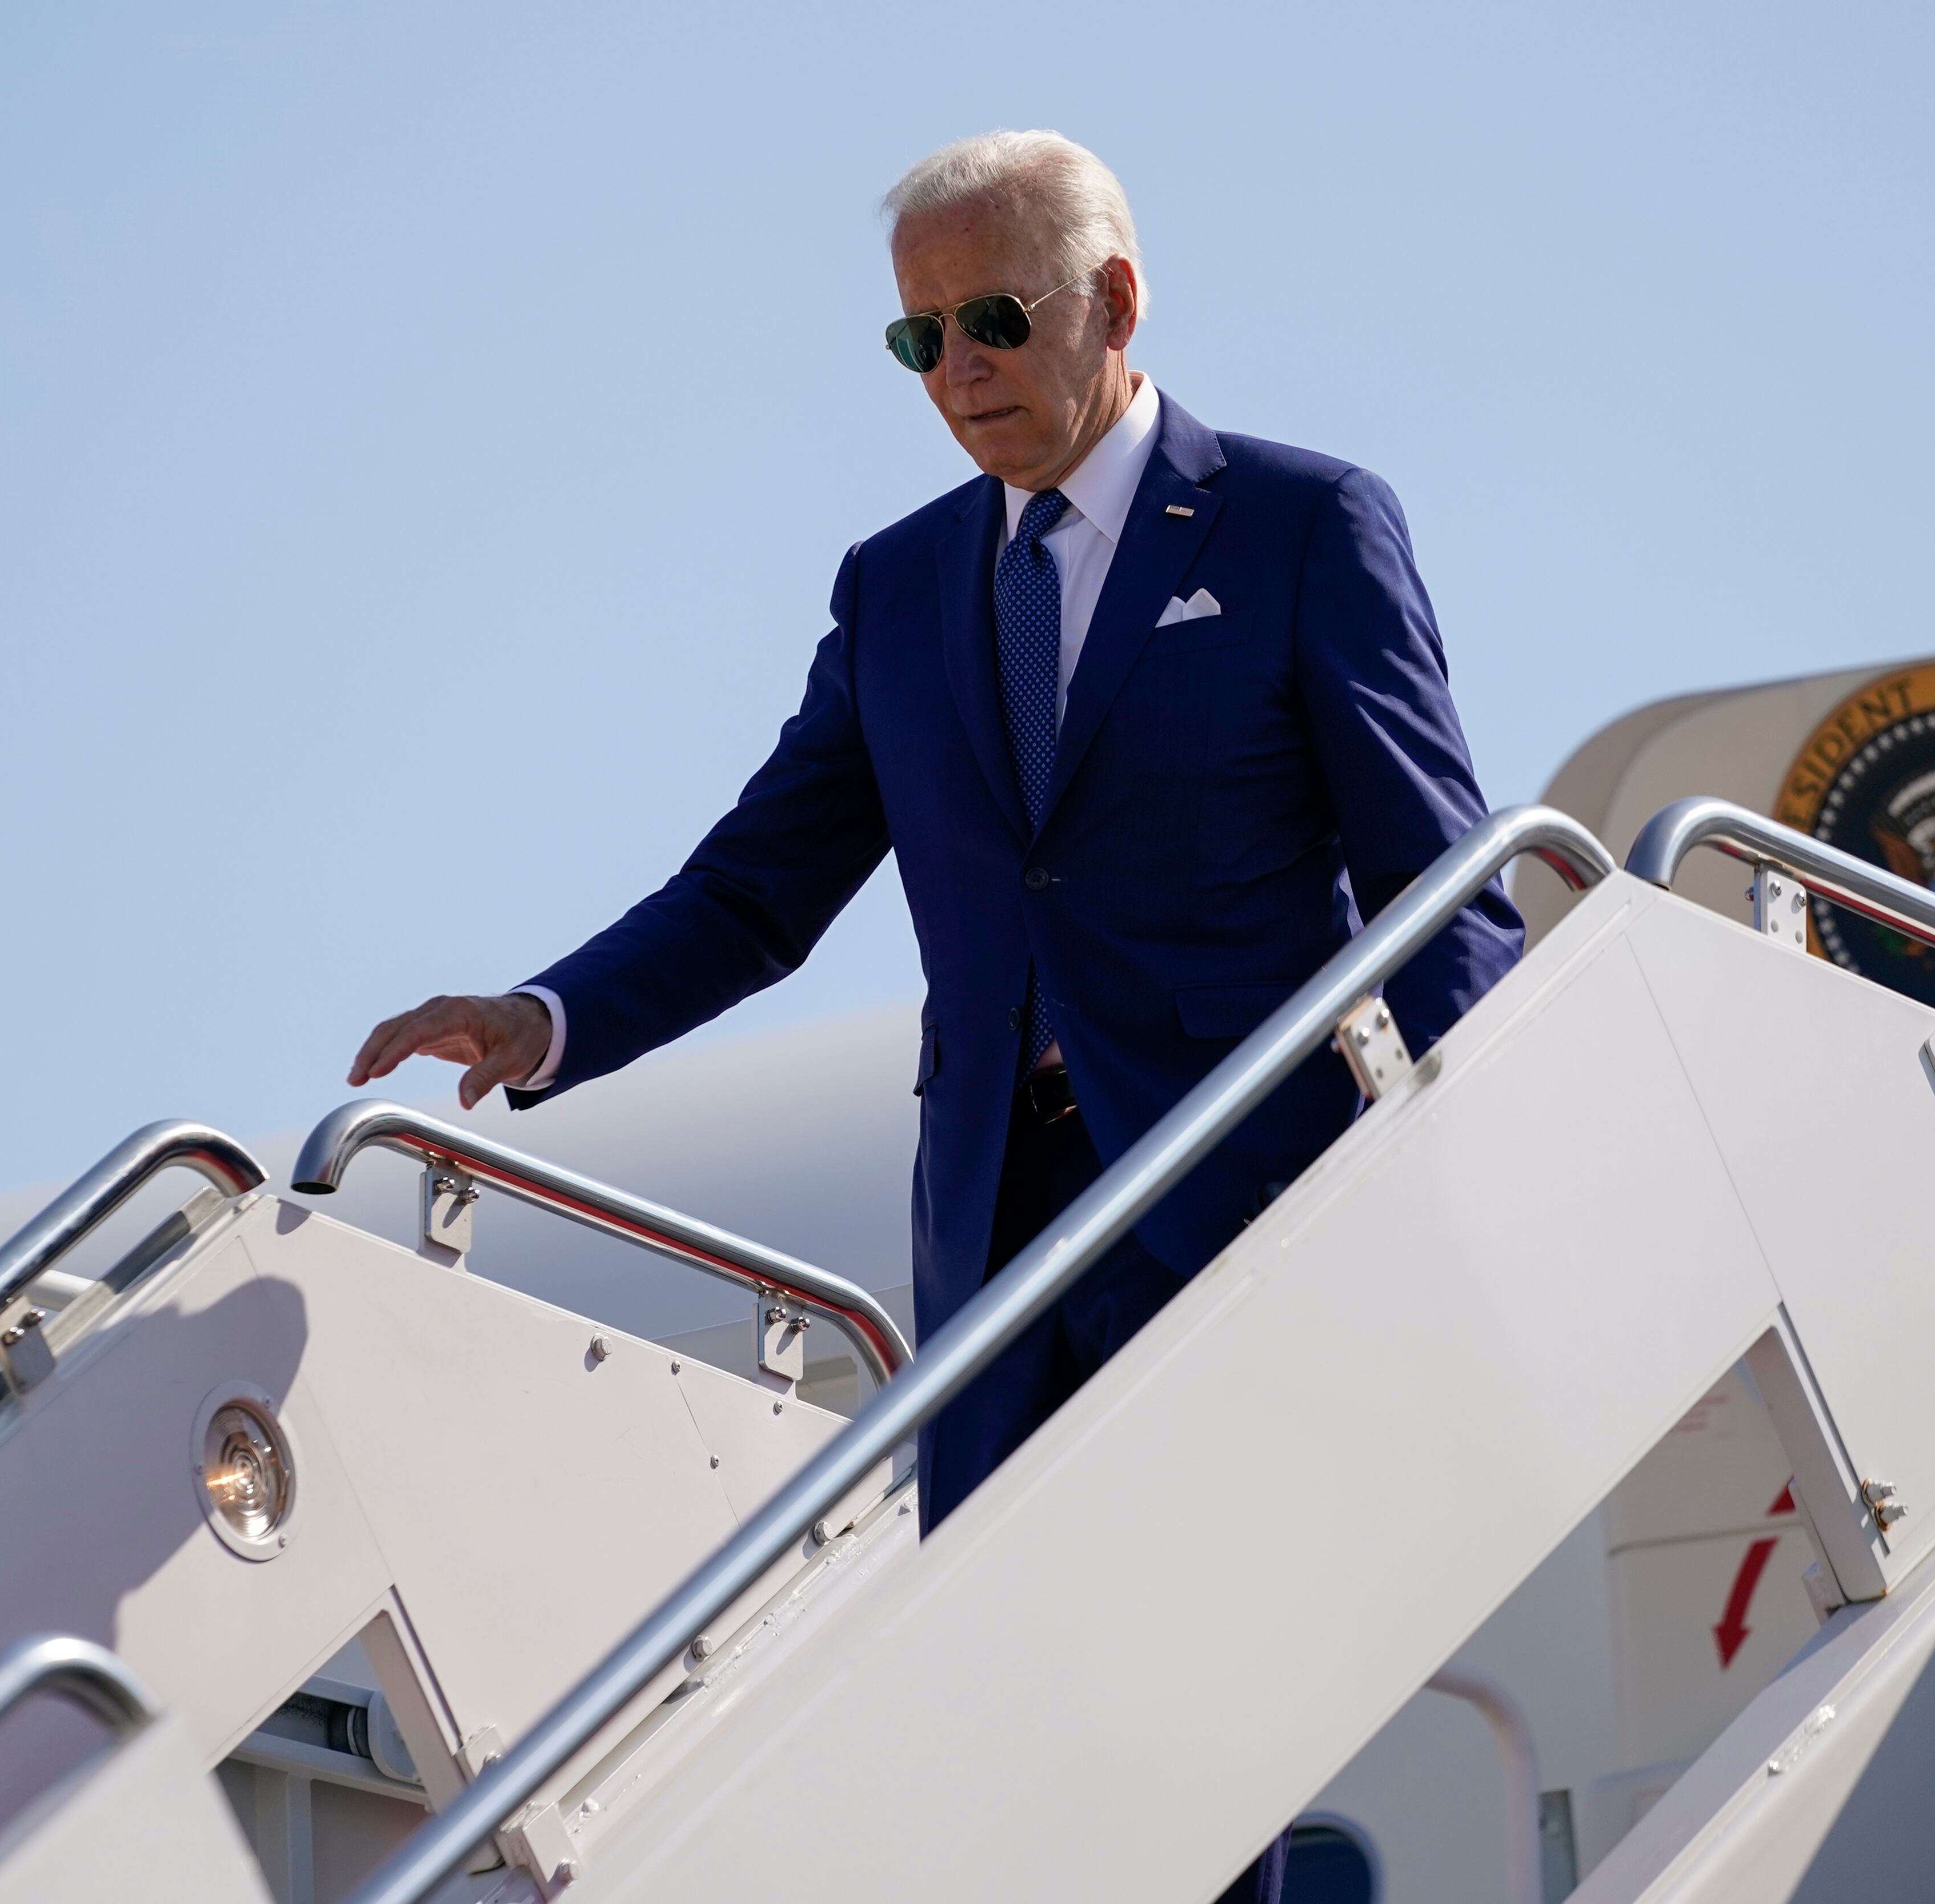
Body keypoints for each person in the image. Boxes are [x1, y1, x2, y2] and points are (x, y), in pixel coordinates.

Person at [350, 129, 1520, 1904]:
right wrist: (544, 1017)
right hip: (993, 1231)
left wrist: (1512, 1138)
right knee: (1033, 1719)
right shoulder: (899, 587)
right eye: (920, 342)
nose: (958, 373)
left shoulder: (1300, 526)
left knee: (1210, 1708)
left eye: (992, 320)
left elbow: (1436, 872)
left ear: (1115, 304)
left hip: (1238, 1197)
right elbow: (760, 888)